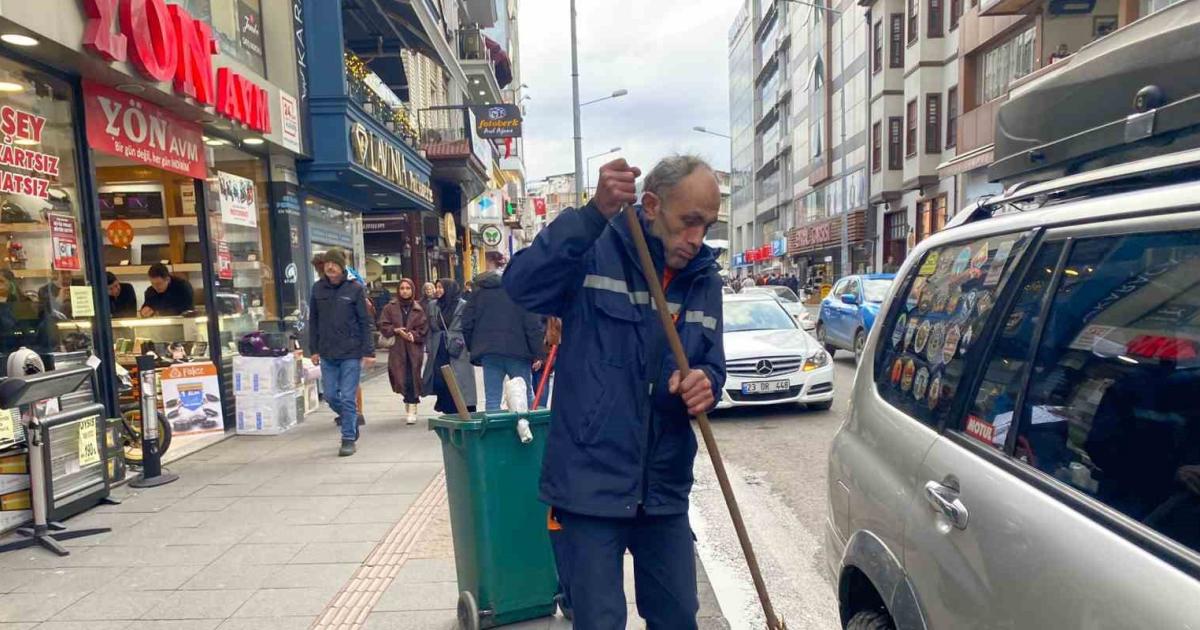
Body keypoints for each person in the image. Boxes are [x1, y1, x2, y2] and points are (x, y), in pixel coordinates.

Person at [504, 155, 725, 629]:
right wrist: (589, 215)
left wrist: (705, 384)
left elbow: (712, 364)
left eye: (706, 225)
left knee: (678, 618)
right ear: (650, 205)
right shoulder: (594, 249)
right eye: (689, 222)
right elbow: (521, 285)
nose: (697, 239)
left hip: (663, 487)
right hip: (589, 484)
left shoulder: (705, 278)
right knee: (599, 621)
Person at [308, 248, 375, 457]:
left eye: (334, 264)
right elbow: (314, 321)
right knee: (329, 395)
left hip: (351, 352)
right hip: (327, 352)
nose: (330, 267)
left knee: (347, 396)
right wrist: (314, 349)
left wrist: (368, 351)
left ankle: (347, 438)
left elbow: (365, 322)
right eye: (327, 264)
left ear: (341, 266)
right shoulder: (318, 289)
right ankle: (351, 419)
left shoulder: (355, 288)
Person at [462, 251, 545, 411]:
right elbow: (532, 324)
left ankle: (495, 434)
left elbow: (467, 322)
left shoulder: (480, 290)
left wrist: (475, 346)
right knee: (525, 395)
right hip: (518, 351)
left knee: (492, 398)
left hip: (489, 351)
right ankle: (527, 431)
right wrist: (538, 353)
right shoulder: (521, 291)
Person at [423, 279, 477, 415]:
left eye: (441, 287)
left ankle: (465, 409)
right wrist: (429, 346)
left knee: (461, 380)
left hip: (458, 347)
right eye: (437, 287)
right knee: (442, 380)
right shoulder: (432, 305)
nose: (438, 290)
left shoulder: (463, 305)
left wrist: (470, 346)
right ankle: (448, 410)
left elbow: (470, 327)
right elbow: (429, 327)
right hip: (439, 347)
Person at [378, 278, 427, 425]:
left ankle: (412, 406)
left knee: (413, 377)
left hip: (413, 349)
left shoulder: (418, 309)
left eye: (408, 288)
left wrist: (413, 335)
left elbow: (424, 328)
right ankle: (409, 401)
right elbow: (382, 325)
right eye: (402, 288)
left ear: (412, 290)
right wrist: (395, 330)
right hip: (398, 349)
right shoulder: (390, 307)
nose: (405, 291)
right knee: (400, 377)